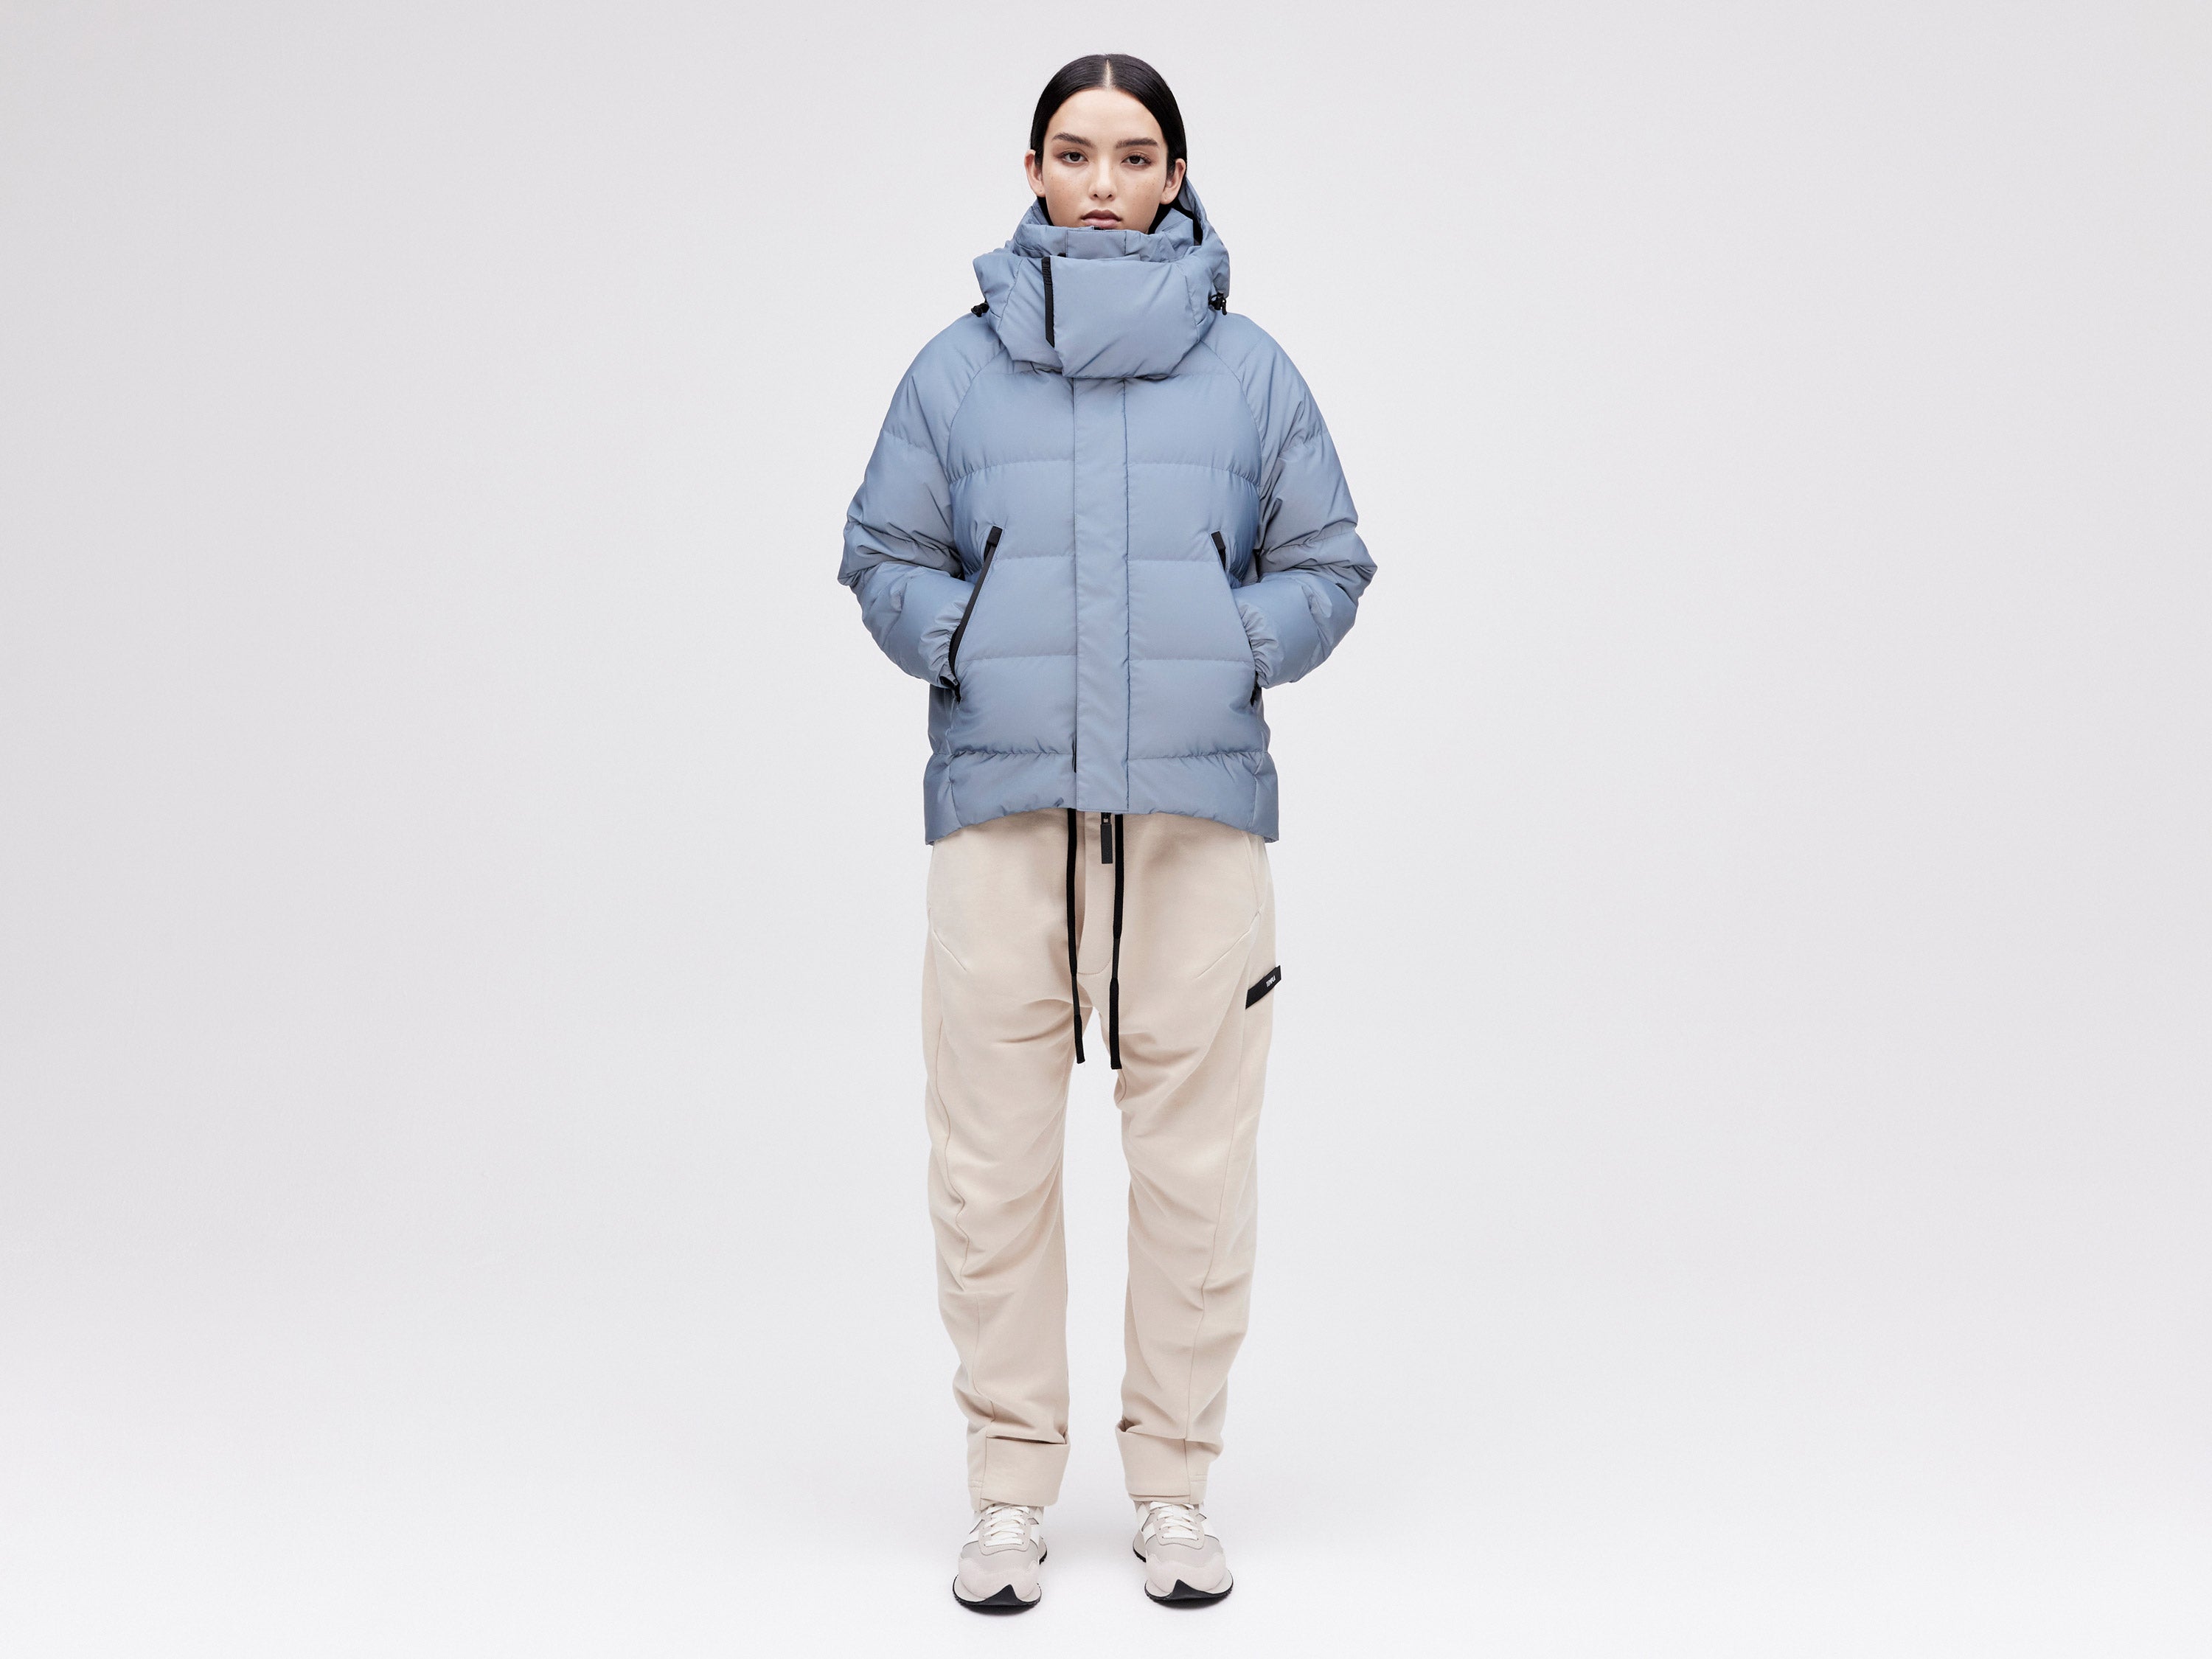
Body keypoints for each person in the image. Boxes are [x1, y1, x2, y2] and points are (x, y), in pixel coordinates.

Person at [837, 52, 1376, 1612]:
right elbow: (881, 550)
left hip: (1195, 820)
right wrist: (965, 637)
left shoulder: (1251, 372)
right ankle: (1009, 1494)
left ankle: (1174, 1490)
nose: (1102, 182)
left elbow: (1329, 560)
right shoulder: (953, 373)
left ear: (1175, 177)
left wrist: (1233, 640)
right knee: (988, 1169)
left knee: (1195, 1169)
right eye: (1074, 153)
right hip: (1001, 814)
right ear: (1031, 171)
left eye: (1134, 156)